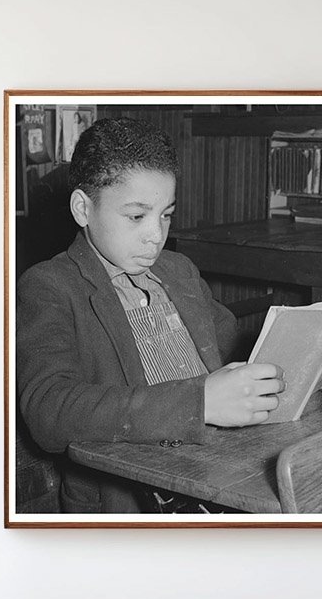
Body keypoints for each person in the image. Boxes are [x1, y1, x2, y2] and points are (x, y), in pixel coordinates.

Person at [16, 116, 284, 513]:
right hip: (140, 498)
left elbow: (236, 351)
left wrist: (302, 347)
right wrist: (200, 403)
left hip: (219, 469)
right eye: (136, 216)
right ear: (82, 209)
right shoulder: (50, 286)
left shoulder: (178, 270)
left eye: (166, 214)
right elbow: (49, 410)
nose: (156, 235)